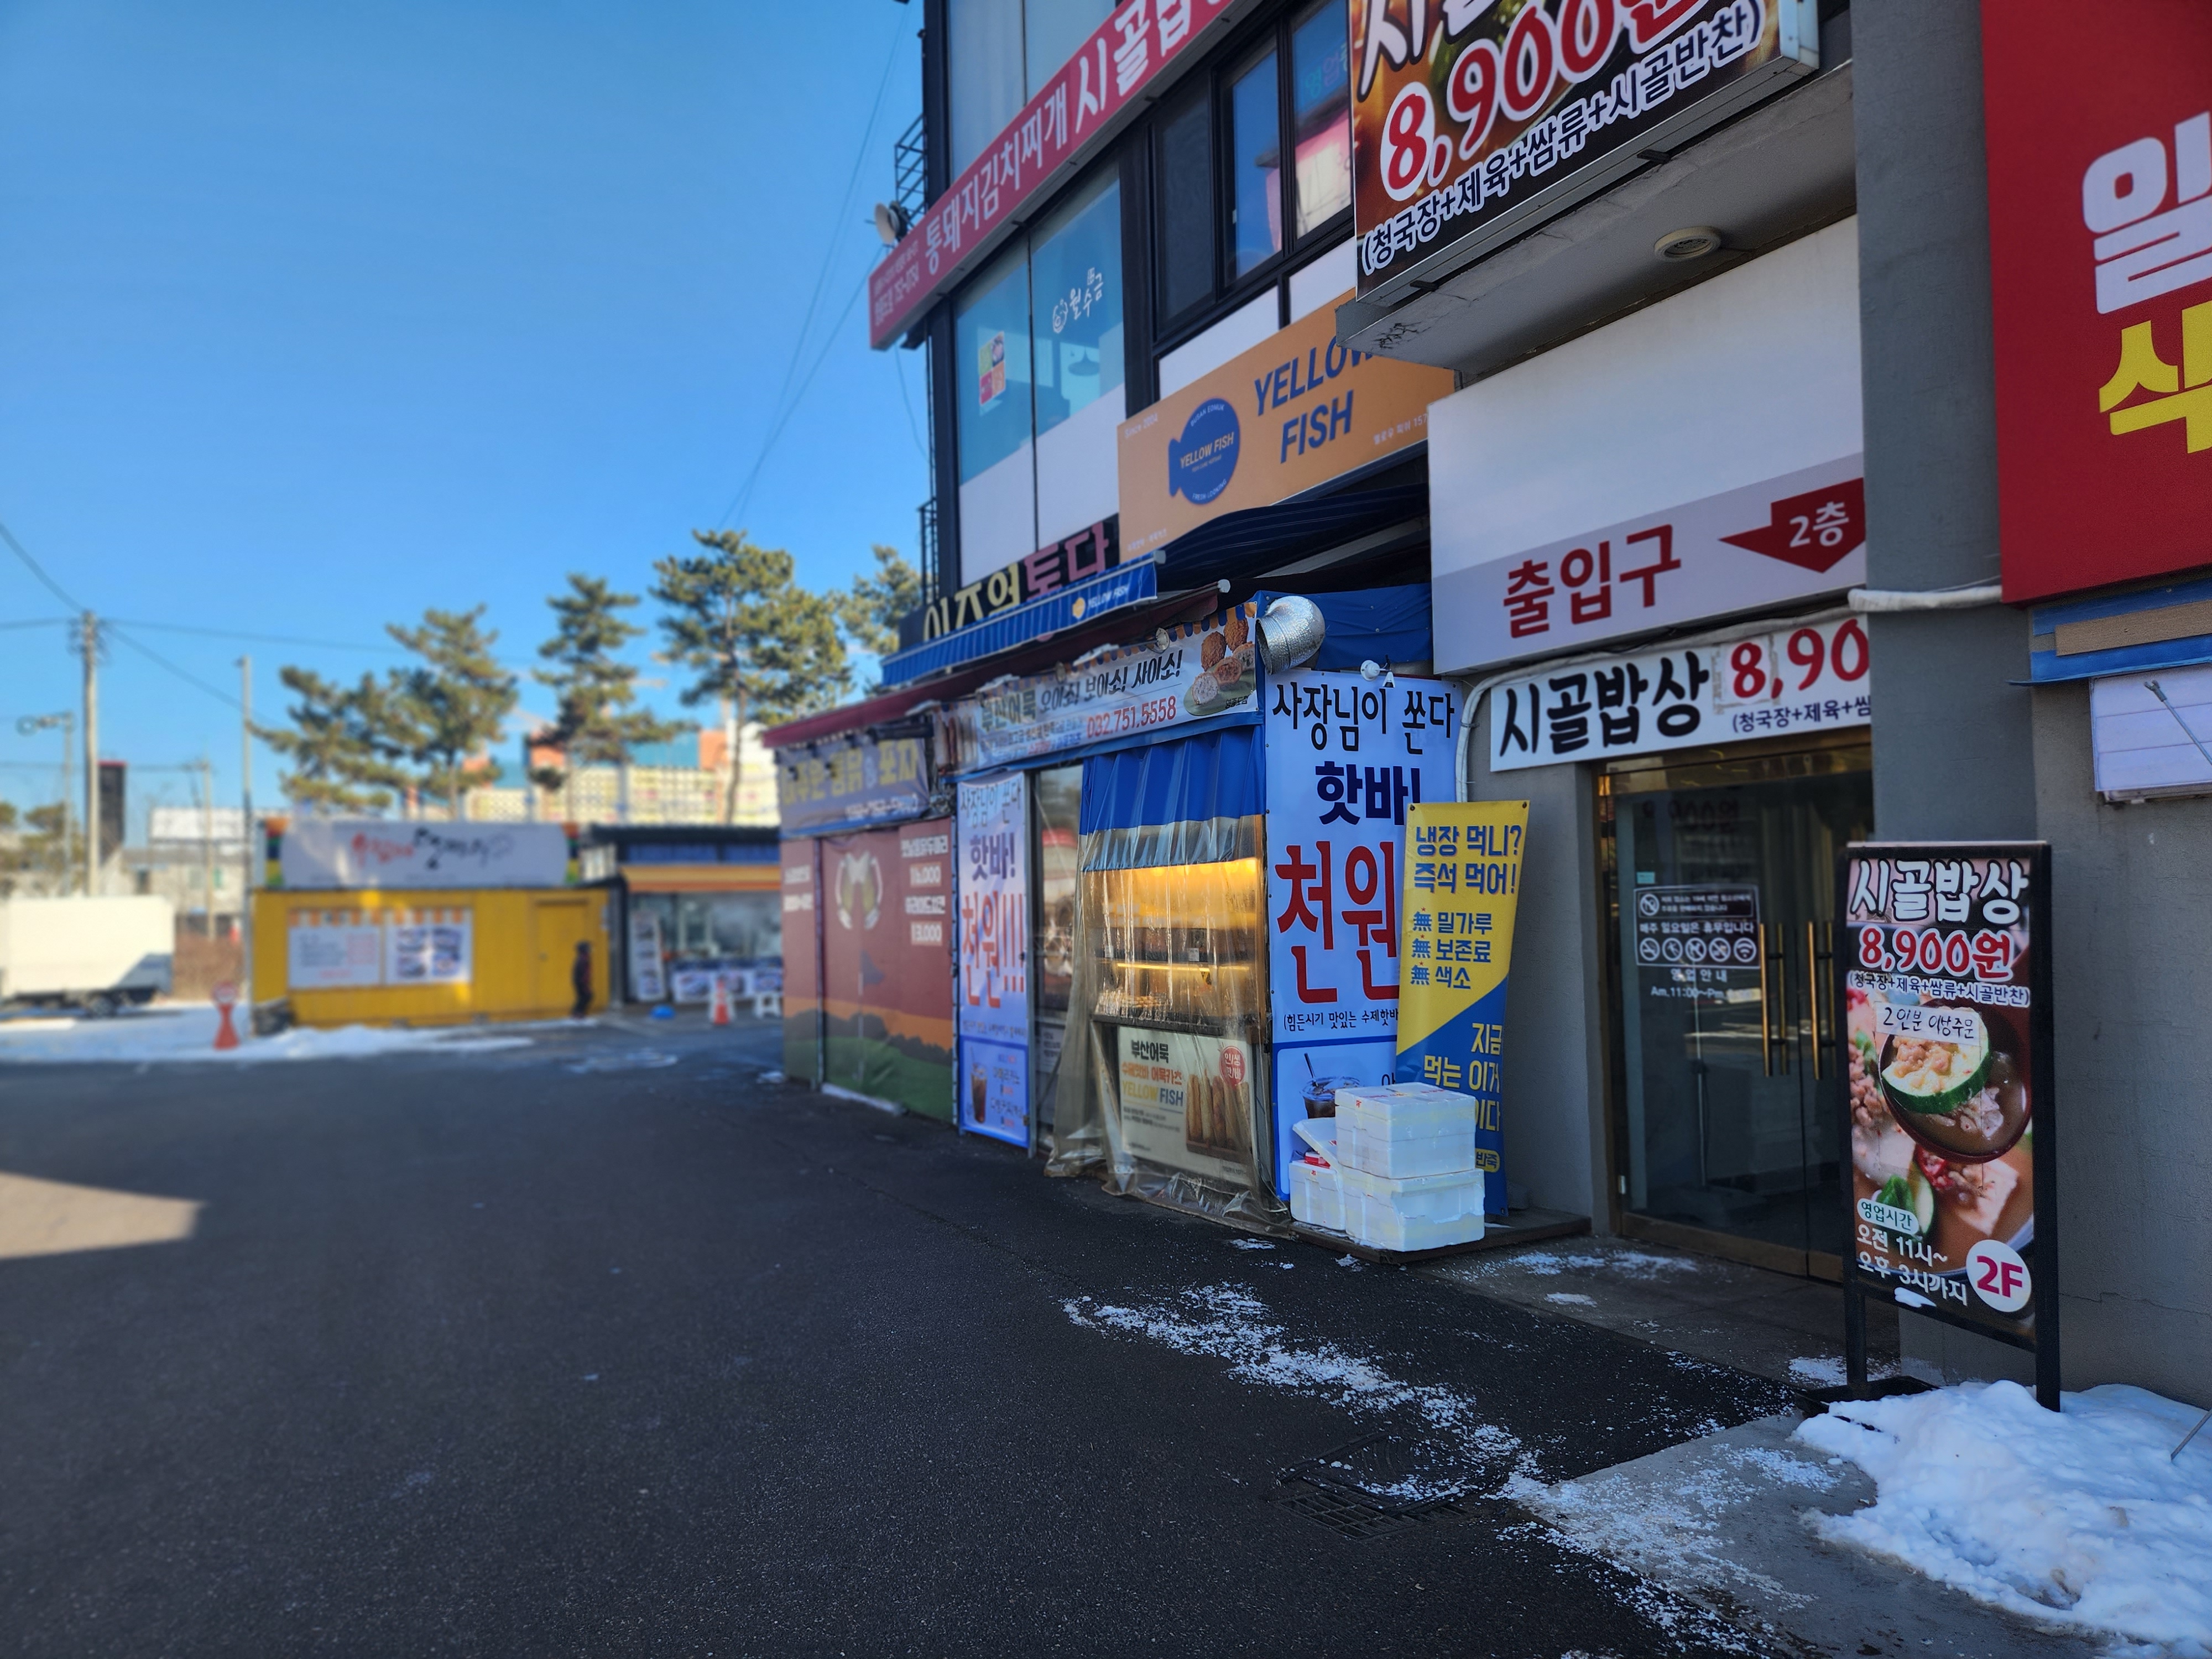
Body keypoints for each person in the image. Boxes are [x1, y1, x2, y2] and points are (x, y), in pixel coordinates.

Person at [570, 939, 593, 1019]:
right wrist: (584, 983)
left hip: (580, 981)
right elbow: (583, 972)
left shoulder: (582, 958)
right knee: (587, 996)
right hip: (582, 982)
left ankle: (578, 1012)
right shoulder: (583, 959)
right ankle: (578, 1012)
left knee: (583, 997)